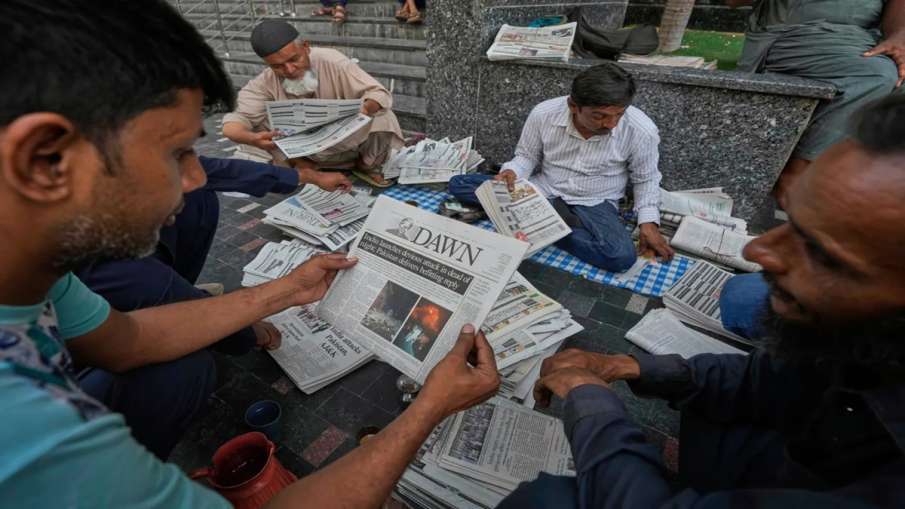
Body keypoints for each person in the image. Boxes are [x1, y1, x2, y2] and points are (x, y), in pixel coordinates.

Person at [0, 1, 500, 507]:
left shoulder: (43, 275)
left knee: (185, 363)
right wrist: (430, 406)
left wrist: (283, 290)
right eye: (176, 154)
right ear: (44, 159)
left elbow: (125, 341)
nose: (196, 178)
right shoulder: (24, 433)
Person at [500, 94, 905, 508]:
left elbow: (645, 180)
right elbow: (772, 379)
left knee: (542, 499)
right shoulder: (859, 341)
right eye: (792, 220)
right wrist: (633, 366)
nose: (757, 253)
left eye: (820, 251)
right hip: (799, 449)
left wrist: (590, 401)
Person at [74, 156, 352, 443]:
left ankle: (172, 296)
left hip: (108, 304)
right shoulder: (88, 258)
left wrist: (307, 177)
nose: (195, 175)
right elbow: (135, 338)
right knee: (184, 369)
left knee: (196, 198)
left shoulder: (94, 180)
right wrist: (245, 332)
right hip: (58, 409)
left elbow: (215, 170)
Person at [448, 63, 674, 272]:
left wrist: (648, 223)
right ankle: (552, 220)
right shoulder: (544, 114)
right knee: (459, 184)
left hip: (595, 201)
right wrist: (511, 172)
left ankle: (548, 228)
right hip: (544, 189)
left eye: (619, 114)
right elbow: (526, 156)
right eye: (599, 116)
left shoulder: (641, 130)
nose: (611, 124)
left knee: (620, 256)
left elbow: (646, 179)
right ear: (573, 106)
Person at [727, 0, 904, 205]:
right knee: (875, 77)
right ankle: (797, 176)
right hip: (796, 34)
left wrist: (900, 35)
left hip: (862, 38)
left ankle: (877, 190)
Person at [222, 19, 404, 186]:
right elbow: (233, 124)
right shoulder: (265, 81)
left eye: (294, 59)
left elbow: (378, 93)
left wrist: (365, 108)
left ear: (306, 47)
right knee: (256, 125)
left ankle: (366, 165)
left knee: (383, 116)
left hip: (346, 141)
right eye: (277, 66)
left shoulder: (332, 60)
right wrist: (253, 139)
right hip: (304, 150)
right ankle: (304, 166)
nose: (290, 70)